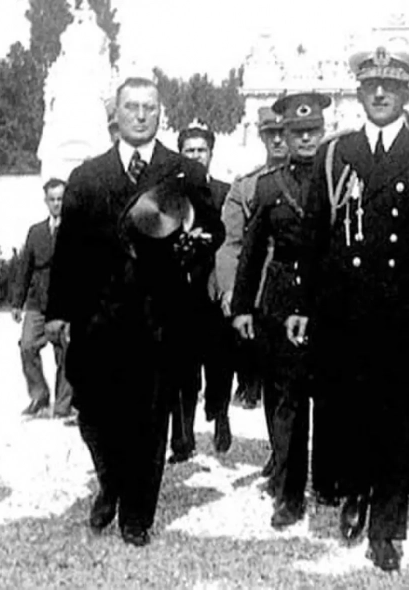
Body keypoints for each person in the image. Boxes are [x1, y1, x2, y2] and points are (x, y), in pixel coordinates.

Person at [289, 45, 409, 571]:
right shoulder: (335, 154)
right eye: (371, 87)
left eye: (390, 86)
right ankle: (355, 491)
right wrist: (303, 304)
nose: (380, 94)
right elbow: (313, 236)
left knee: (396, 420)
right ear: (359, 93)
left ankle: (386, 528)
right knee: (346, 411)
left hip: (401, 312)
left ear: (407, 94)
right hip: (342, 309)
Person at [45, 77, 223, 547]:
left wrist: (193, 247)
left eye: (149, 107)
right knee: (93, 412)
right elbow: (68, 250)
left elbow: (212, 229)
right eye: (131, 107)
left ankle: (136, 514)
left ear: (161, 114)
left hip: (159, 316)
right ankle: (110, 482)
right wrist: (58, 312)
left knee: (150, 417)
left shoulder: (183, 171)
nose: (141, 115)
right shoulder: (87, 175)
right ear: (116, 114)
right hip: (98, 317)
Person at [233, 92, 330, 529]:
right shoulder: (269, 187)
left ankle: (328, 480)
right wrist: (242, 307)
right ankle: (290, 494)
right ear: (284, 136)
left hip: (328, 300)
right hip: (282, 299)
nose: (306, 139)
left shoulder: (340, 180)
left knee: (329, 396)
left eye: (312, 131)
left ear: (323, 132)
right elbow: (253, 251)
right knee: (287, 400)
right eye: (297, 132)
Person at [215, 107, 288, 413]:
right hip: (260, 292)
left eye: (283, 133)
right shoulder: (246, 186)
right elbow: (230, 243)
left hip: (303, 290)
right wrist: (230, 289)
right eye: (271, 134)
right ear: (261, 136)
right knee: (272, 377)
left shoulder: (317, 181)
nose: (278, 140)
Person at [168, 123, 232, 462]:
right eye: (188, 151)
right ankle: (183, 438)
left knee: (219, 364)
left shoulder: (225, 192)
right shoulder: (170, 195)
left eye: (201, 150)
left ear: (211, 154)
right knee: (183, 369)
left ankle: (220, 414)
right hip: (181, 294)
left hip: (215, 293)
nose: (195, 156)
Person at [12, 178, 73, 419]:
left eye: (61, 199)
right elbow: (24, 268)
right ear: (46, 201)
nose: (57, 203)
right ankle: (39, 395)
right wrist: (17, 303)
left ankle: (64, 405)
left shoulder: (76, 229)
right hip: (37, 303)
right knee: (27, 347)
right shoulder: (36, 232)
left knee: (67, 352)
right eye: (52, 199)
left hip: (66, 304)